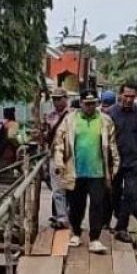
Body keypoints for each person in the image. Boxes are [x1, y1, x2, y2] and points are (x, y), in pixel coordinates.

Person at [52, 94, 119, 254]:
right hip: (76, 171)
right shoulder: (70, 120)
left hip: (97, 172)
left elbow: (112, 145)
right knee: (76, 205)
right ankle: (75, 232)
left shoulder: (105, 120)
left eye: (93, 103)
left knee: (97, 204)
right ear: (81, 103)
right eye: (87, 103)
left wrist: (114, 167)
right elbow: (59, 142)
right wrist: (59, 162)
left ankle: (95, 238)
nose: (90, 106)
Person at [108, 86, 137, 243]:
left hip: (135, 160)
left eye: (132, 96)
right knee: (114, 194)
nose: (129, 99)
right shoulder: (111, 113)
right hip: (115, 161)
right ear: (120, 95)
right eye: (126, 96)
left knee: (130, 193)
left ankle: (122, 228)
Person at [43, 89, 72, 228]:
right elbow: (45, 136)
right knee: (57, 188)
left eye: (59, 99)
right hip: (54, 154)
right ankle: (61, 217)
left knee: (72, 187)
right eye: (54, 99)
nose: (56, 102)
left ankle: (71, 216)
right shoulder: (50, 116)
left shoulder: (73, 115)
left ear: (65, 98)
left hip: (70, 156)